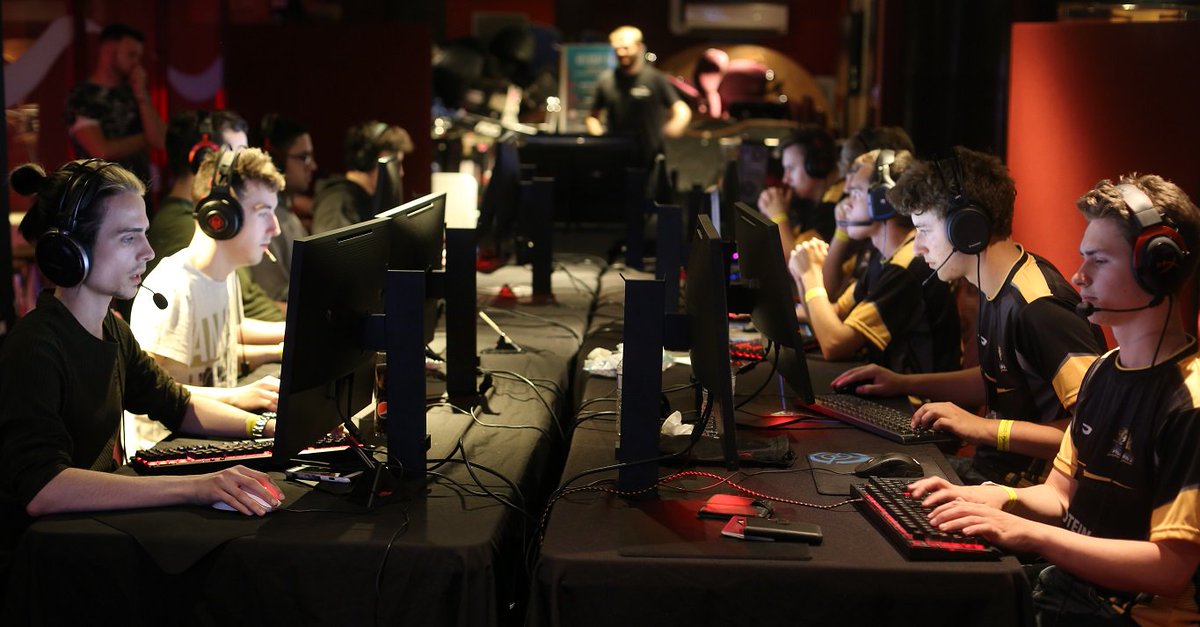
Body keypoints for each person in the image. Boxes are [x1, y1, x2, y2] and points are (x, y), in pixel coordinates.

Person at [910, 174, 1200, 625]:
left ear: (1159, 267)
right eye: (1084, 258)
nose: (1079, 276)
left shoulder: (1189, 405)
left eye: (1099, 261)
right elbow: (1060, 495)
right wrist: (994, 498)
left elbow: (1170, 568)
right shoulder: (1103, 371)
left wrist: (1030, 535)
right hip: (1068, 589)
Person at [0, 159, 283, 552]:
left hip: (89, 539)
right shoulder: (35, 347)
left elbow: (175, 403)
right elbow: (43, 488)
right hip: (44, 560)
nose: (148, 252)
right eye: (128, 238)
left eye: (145, 235)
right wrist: (195, 487)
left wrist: (268, 429)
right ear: (71, 249)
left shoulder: (112, 329)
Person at [832, 146, 1106, 486]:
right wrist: (901, 382)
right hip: (992, 473)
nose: (917, 247)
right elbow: (1001, 378)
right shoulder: (995, 285)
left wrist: (983, 428)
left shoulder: (1040, 307)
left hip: (1026, 491)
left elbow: (1096, 431)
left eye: (924, 230)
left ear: (967, 229)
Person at [130, 148, 286, 416]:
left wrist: (280, 347)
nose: (275, 227)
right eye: (263, 212)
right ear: (220, 215)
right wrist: (237, 397)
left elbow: (216, 356)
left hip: (217, 425)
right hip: (171, 438)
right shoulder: (172, 290)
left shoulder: (225, 274)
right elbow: (145, 392)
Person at [789, 149, 960, 373]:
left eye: (855, 194)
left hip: (916, 394)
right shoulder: (881, 255)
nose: (844, 205)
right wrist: (801, 276)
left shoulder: (908, 265)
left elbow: (834, 344)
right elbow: (835, 312)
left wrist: (810, 275)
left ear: (883, 201)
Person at [146, 110, 283, 324]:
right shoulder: (195, 229)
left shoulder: (221, 223)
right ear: (205, 159)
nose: (246, 165)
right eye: (238, 156)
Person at [64, 23, 165, 189]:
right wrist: (146, 138)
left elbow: (160, 139)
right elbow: (100, 150)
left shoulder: (133, 91)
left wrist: (141, 95)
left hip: (139, 190)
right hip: (102, 190)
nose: (136, 63)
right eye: (131, 55)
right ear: (109, 51)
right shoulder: (83, 96)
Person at [585, 25, 692, 169]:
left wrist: (674, 126)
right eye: (617, 49)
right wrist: (601, 137)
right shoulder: (606, 80)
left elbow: (682, 110)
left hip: (651, 157)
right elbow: (592, 117)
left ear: (638, 46)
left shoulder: (655, 78)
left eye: (626, 48)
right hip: (616, 158)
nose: (621, 53)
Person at [249, 114, 314, 302]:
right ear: (275, 161)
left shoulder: (288, 214)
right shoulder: (266, 221)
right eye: (304, 157)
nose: (312, 166)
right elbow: (275, 297)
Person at [311, 120, 414, 234]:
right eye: (395, 164)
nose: (401, 173)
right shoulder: (337, 202)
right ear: (368, 160)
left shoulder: (365, 198)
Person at [756, 124, 839, 251]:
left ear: (817, 166)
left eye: (791, 168)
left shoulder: (835, 210)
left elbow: (795, 259)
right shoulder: (807, 206)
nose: (785, 179)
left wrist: (778, 216)